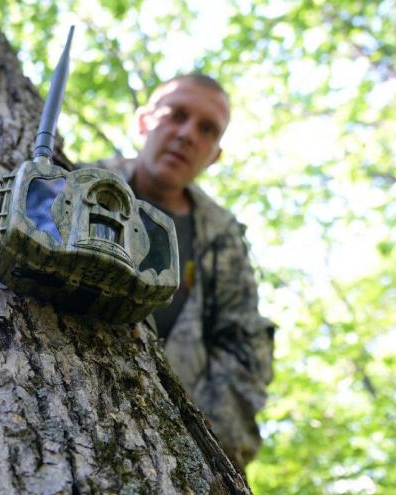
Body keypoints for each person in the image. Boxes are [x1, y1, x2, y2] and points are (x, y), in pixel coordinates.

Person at [89, 74, 276, 470]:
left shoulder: (222, 236)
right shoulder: (77, 186)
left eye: (207, 129)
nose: (187, 134)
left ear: (214, 155)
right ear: (144, 122)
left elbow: (245, 351)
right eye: (176, 115)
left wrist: (202, 449)